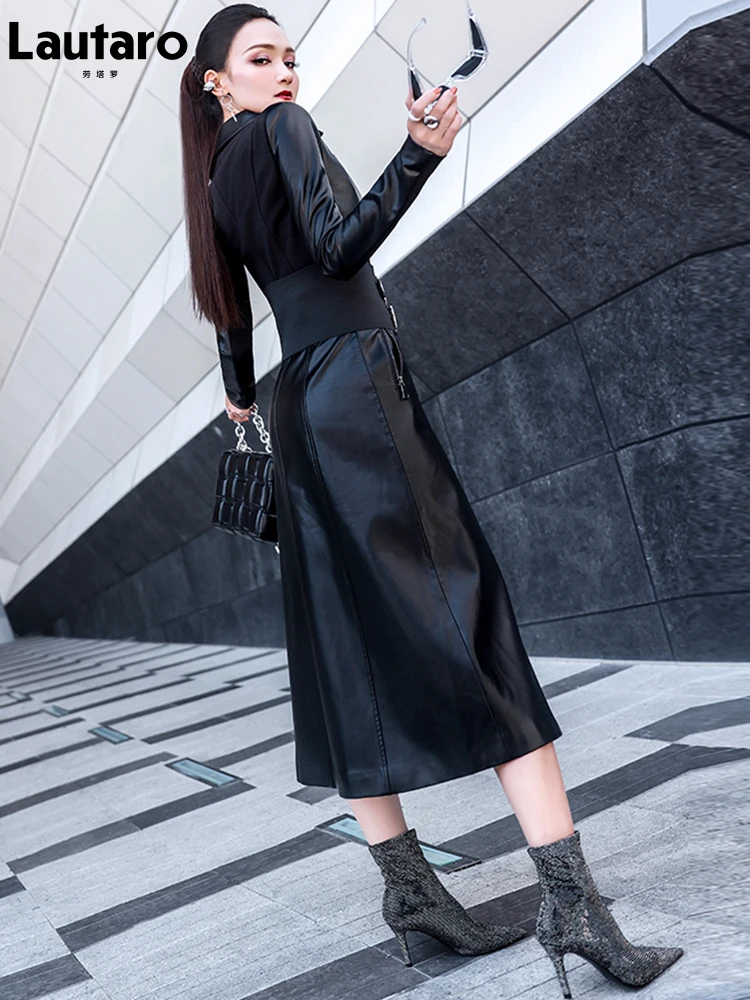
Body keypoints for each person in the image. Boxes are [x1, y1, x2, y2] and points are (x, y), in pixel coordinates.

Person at [178, 5, 683, 995]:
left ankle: (411, 895)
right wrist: (420, 155)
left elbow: (233, 322)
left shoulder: (214, 180)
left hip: (299, 406)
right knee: (470, 614)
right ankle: (573, 906)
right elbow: (337, 247)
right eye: (261, 58)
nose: (285, 72)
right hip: (359, 390)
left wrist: (241, 397)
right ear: (217, 82)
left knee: (344, 646)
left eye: (289, 56)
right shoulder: (283, 129)